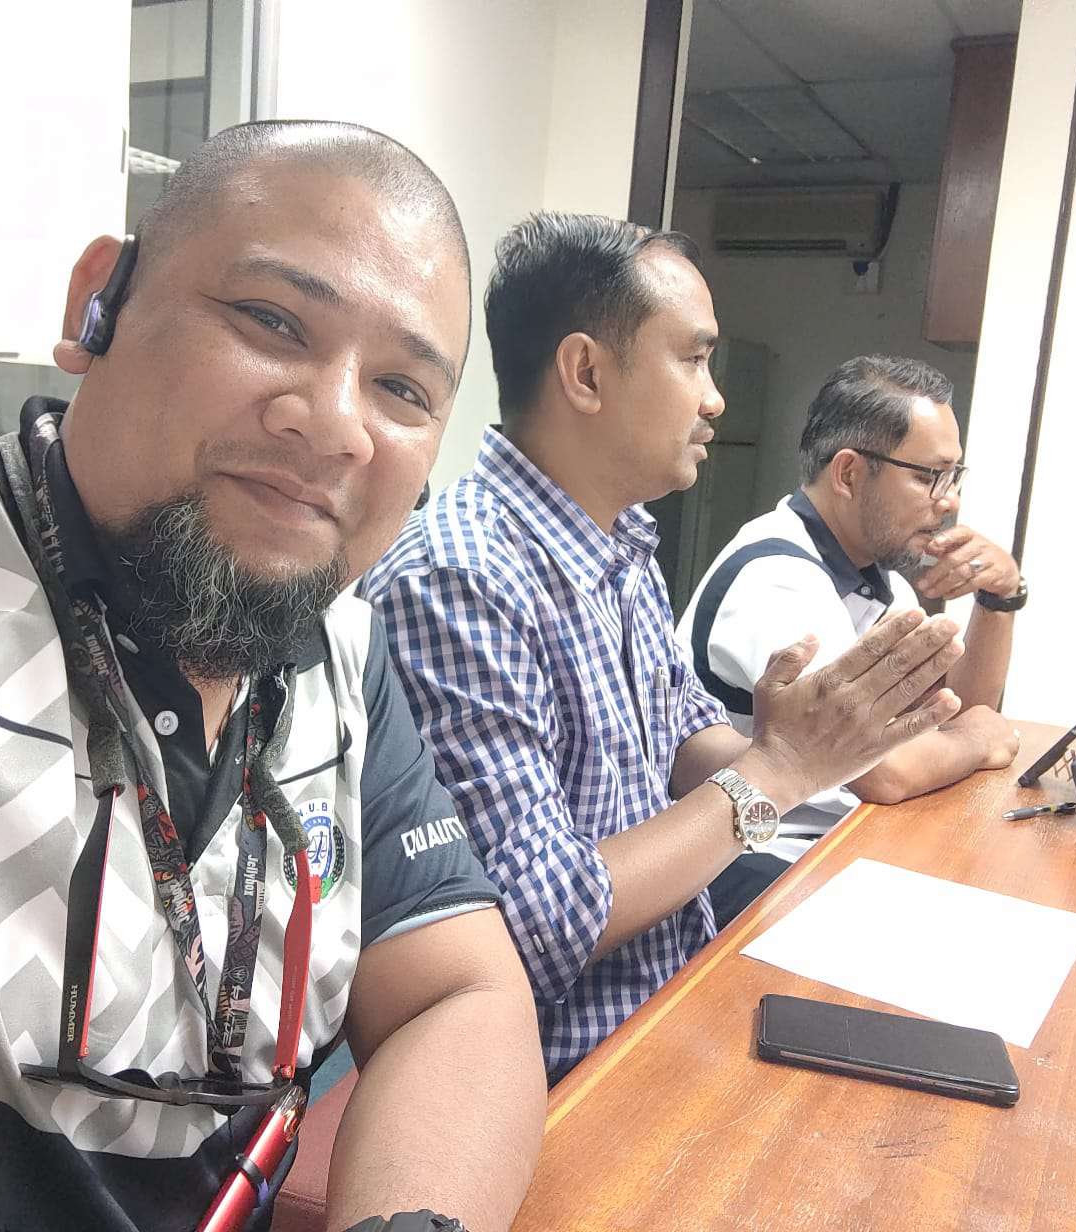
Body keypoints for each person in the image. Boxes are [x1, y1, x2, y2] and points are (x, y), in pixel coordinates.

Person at [0, 121, 545, 1232]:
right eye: (271, 320)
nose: (333, 424)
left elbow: (459, 991)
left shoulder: (341, 659)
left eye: (401, 388)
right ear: (97, 303)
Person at [360, 213, 966, 1083]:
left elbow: (682, 736)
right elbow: (539, 924)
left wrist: (801, 744)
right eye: (692, 359)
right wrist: (777, 772)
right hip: (565, 1069)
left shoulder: (621, 543)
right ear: (586, 373)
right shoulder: (459, 578)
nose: (715, 398)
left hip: (671, 994)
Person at [677, 355, 1022, 859]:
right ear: (848, 473)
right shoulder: (777, 579)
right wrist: (977, 740)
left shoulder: (879, 580)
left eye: (954, 476)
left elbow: (957, 713)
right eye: (929, 476)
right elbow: (881, 771)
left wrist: (1000, 597)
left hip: (831, 839)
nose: (949, 501)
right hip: (754, 857)